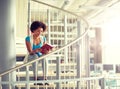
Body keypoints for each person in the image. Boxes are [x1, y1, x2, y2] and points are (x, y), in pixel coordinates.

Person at [25, 21, 49, 85]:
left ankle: (45, 78)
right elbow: (30, 52)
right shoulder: (28, 39)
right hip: (32, 56)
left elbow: (44, 49)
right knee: (35, 56)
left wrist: (46, 51)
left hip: (40, 56)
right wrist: (36, 50)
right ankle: (35, 78)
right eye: (38, 31)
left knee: (44, 57)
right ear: (33, 30)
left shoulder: (43, 38)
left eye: (41, 31)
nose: (40, 33)